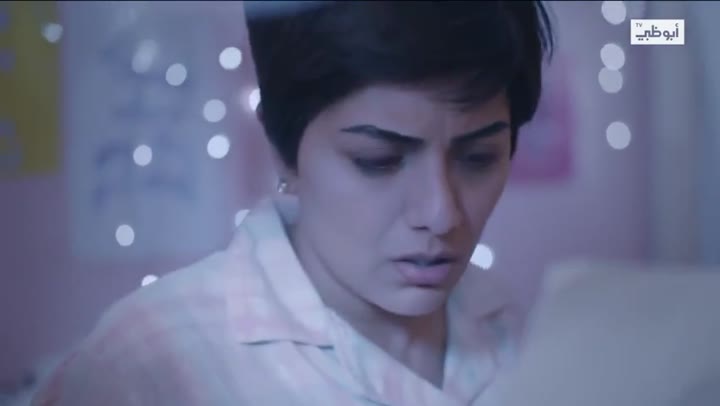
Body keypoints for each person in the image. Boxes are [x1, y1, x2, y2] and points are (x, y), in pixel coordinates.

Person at [33, 1, 553, 405]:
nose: (441, 213)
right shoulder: (149, 360)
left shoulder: (508, 324)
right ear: (284, 150)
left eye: (478, 158)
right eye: (378, 160)